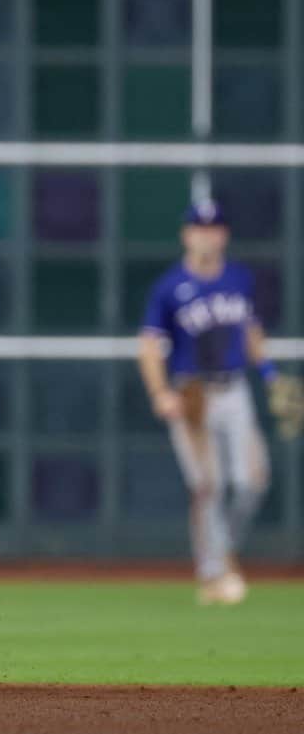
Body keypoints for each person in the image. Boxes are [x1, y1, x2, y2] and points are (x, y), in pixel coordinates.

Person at [138, 199, 272, 605]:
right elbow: (148, 346)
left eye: (213, 228)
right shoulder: (170, 288)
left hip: (234, 390)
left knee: (252, 482)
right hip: (192, 394)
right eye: (199, 227)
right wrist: (161, 393)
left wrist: (269, 372)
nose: (206, 234)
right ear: (186, 234)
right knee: (207, 486)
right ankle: (216, 572)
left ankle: (222, 555)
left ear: (224, 234)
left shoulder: (239, 279)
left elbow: (250, 330)